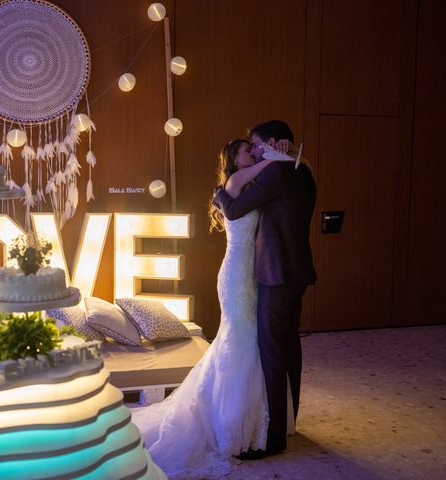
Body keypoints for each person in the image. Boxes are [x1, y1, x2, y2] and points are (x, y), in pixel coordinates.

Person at [131, 139, 294, 479]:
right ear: (233, 158)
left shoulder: (249, 185)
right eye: (247, 149)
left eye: (253, 148)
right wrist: (273, 156)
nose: (253, 151)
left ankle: (254, 420)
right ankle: (232, 426)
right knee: (239, 339)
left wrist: (272, 158)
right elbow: (264, 170)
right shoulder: (234, 182)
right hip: (235, 273)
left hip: (251, 273)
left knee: (246, 341)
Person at [213, 120, 317, 458]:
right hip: (297, 270)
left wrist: (218, 193)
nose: (255, 151)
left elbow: (235, 207)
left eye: (257, 145)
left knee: (271, 350)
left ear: (272, 142)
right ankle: (290, 419)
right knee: (289, 344)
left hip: (275, 273)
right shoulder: (303, 171)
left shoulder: (277, 174)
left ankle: (273, 439)